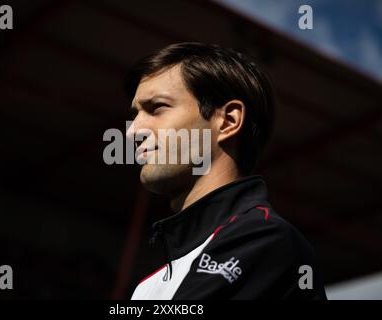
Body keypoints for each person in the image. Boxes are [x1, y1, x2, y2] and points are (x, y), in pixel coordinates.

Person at [124, 42, 327, 299]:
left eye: (158, 107)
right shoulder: (147, 287)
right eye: (136, 114)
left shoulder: (269, 241)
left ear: (228, 121)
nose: (132, 131)